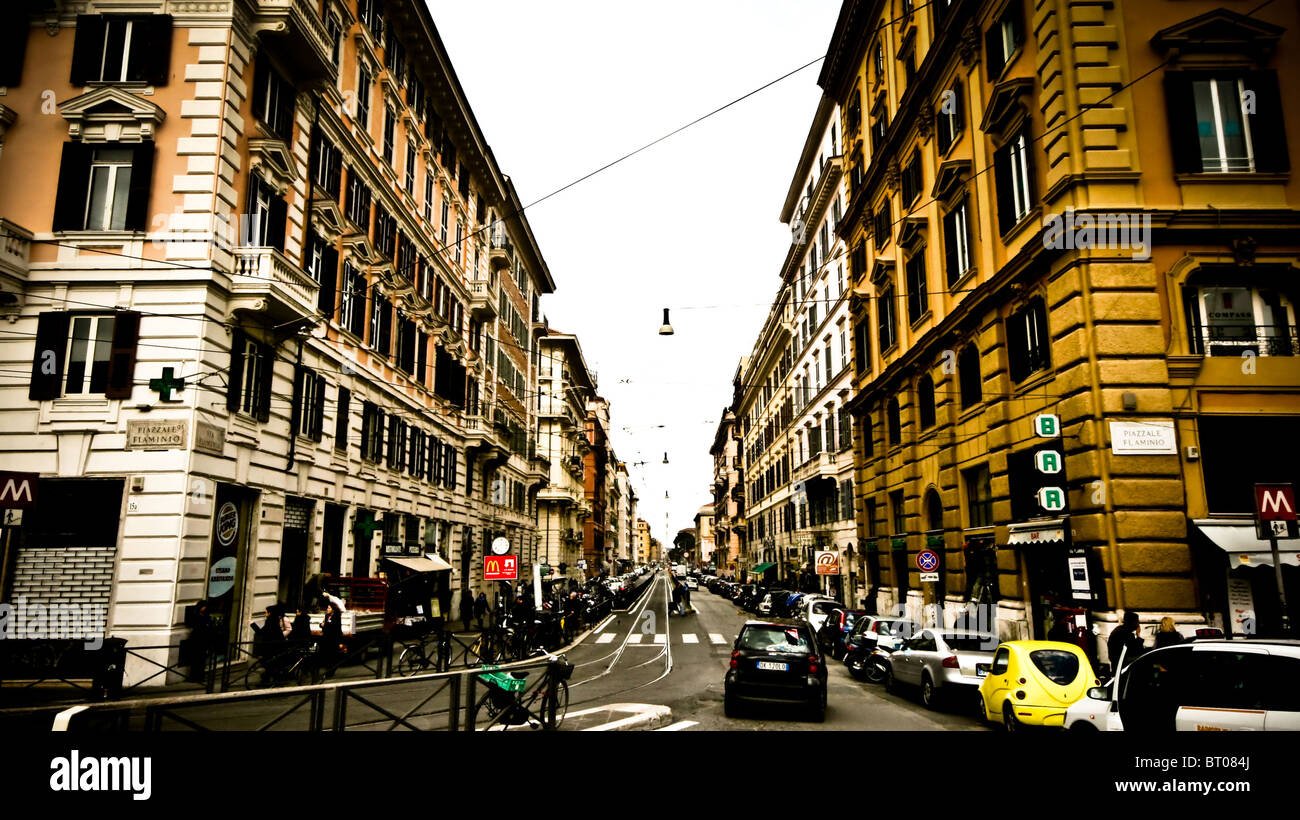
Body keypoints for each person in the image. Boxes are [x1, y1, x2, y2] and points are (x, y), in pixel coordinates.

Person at [1107, 610, 1145, 674]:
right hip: (1122, 667)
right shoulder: (1126, 634)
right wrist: (1138, 635)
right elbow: (1137, 650)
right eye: (1137, 622)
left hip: (1117, 665)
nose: (1138, 624)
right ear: (1132, 622)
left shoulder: (1119, 630)